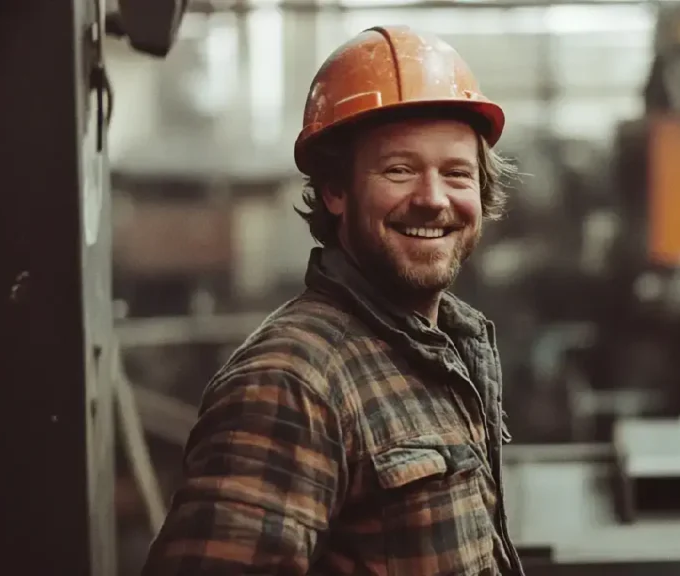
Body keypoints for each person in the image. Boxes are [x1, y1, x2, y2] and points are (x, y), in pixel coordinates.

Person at [141, 25, 524, 576]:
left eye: (457, 173)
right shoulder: (292, 381)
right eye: (400, 170)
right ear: (335, 190)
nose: (433, 199)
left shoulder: (447, 352)